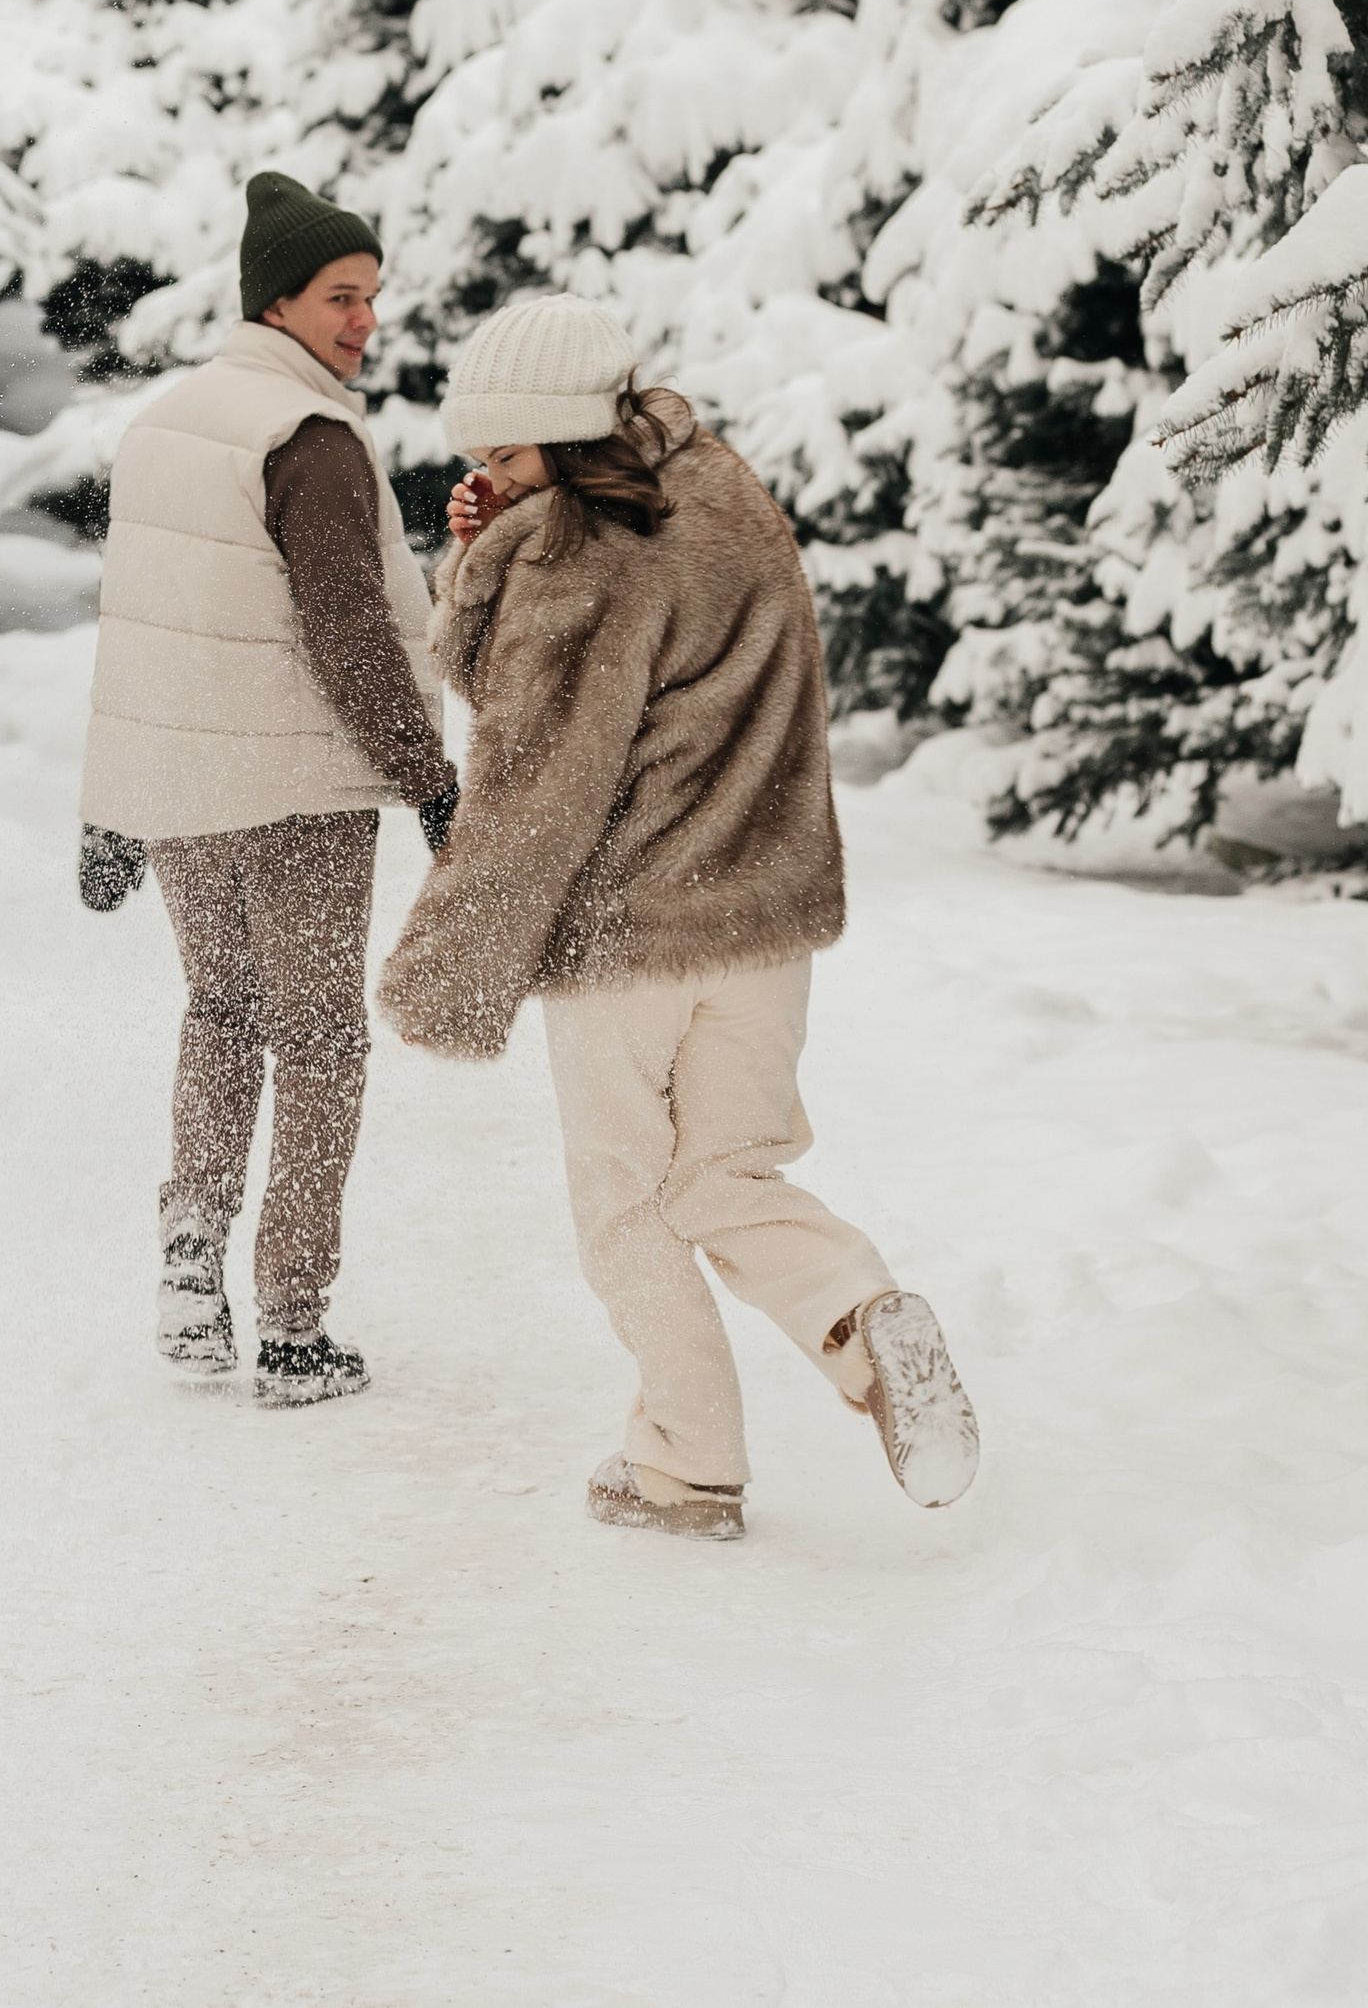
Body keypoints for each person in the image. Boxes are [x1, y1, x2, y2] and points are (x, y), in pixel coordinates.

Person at [378, 294, 977, 1539]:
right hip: (762, 921)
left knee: (624, 1201)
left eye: (505, 456)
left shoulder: (577, 553)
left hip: (629, 933)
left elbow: (537, 771)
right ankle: (864, 1315)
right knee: (724, 1175)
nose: (487, 477)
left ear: (562, 432)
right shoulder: (721, 488)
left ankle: (687, 1467)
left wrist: (452, 963)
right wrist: (497, 542)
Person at [80, 171, 458, 1408]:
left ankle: (191, 1258)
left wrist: (110, 800)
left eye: (373, 297)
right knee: (320, 1043)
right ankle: (294, 1327)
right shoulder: (308, 436)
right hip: (297, 789)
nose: (365, 321)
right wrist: (428, 777)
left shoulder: (163, 426)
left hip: (184, 788)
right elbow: (348, 628)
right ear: (278, 302)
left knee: (221, 1013)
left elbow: (135, 630)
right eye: (343, 297)